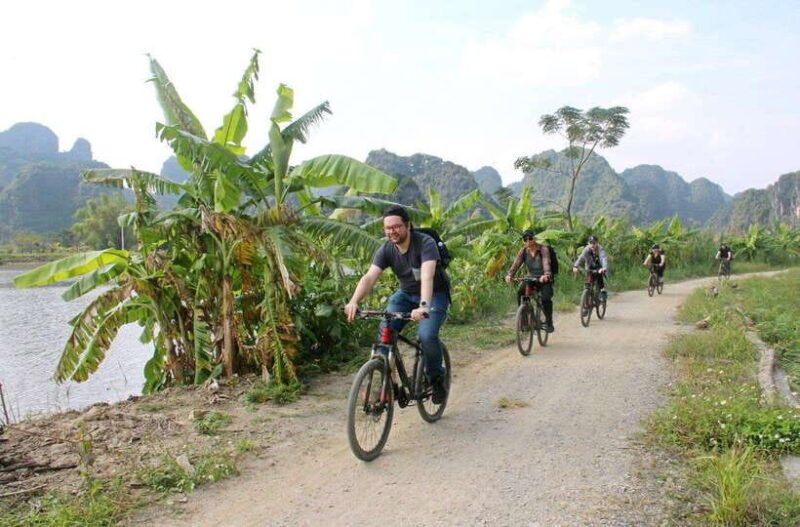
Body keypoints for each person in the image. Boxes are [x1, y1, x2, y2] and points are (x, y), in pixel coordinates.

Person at [344, 205, 450, 404]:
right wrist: (353, 301)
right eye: (388, 228)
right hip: (405, 295)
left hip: (434, 295)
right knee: (385, 332)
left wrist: (424, 306)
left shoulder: (425, 243)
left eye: (397, 226)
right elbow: (369, 278)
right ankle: (385, 382)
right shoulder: (386, 249)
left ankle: (436, 378)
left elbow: (427, 277)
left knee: (426, 336)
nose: (392, 231)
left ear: (408, 226)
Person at [504, 230, 555, 333]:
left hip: (544, 278)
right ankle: (524, 322)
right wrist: (510, 275)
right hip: (530, 278)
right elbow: (516, 263)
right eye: (525, 239)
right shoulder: (523, 251)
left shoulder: (543, 249)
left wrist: (546, 275)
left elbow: (546, 262)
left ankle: (549, 322)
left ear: (534, 238)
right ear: (523, 241)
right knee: (520, 293)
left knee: (545, 299)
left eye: (530, 238)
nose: (528, 241)